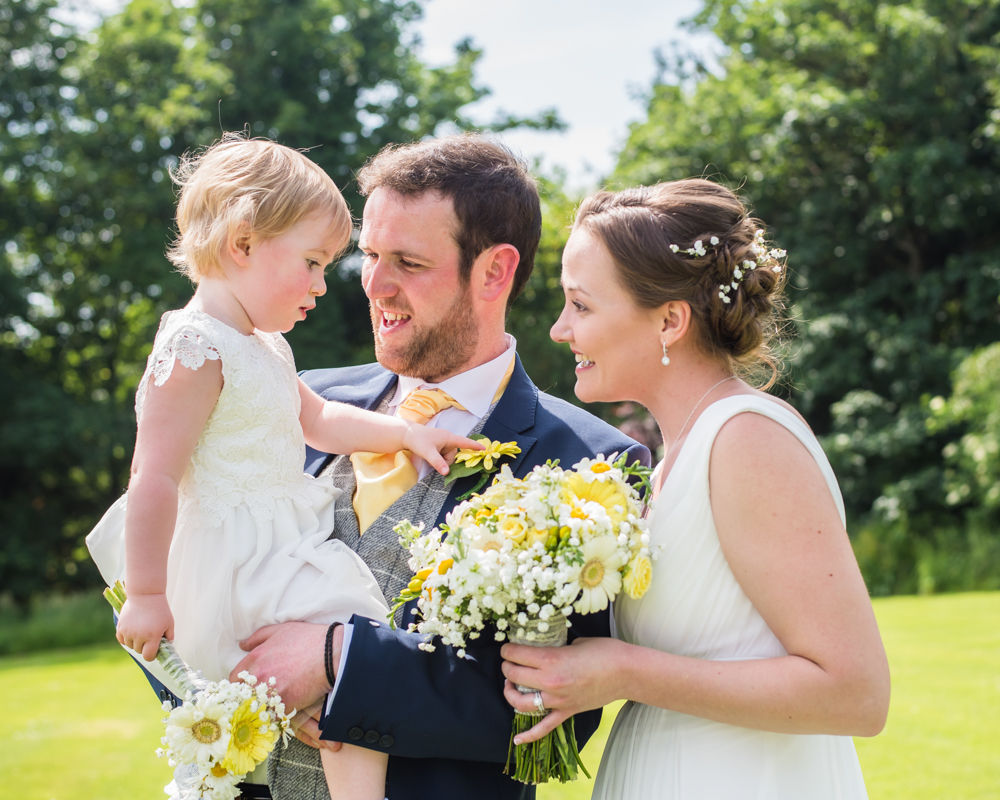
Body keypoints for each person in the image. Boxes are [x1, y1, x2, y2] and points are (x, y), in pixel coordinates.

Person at [230, 134, 651, 800]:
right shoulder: (300, 397)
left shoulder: (590, 465)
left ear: (493, 272)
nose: (375, 284)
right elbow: (199, 557)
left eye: (408, 261)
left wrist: (335, 663)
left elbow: (546, 721)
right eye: (369, 255)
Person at [87, 132, 482, 800]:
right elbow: (152, 476)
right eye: (311, 262)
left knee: (344, 673)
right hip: (235, 561)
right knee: (355, 635)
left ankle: (328, 749)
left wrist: (406, 434)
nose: (324, 286)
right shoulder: (194, 348)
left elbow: (321, 420)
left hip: (279, 546)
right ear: (243, 245)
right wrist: (149, 592)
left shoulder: (263, 346)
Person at [500, 179, 890, 798]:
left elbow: (856, 693)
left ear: (670, 321)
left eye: (581, 305)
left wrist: (625, 672)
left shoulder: (747, 442)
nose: (558, 329)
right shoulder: (669, 459)